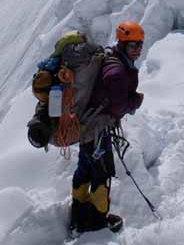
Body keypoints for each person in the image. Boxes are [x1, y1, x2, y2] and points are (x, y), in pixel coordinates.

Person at [69, 21, 145, 235]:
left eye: (139, 45)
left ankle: (78, 216)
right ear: (122, 44)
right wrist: (135, 100)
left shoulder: (111, 58)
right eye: (132, 45)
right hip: (97, 129)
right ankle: (97, 223)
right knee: (101, 173)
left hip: (88, 126)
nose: (137, 50)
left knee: (85, 168)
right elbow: (119, 104)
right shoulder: (117, 70)